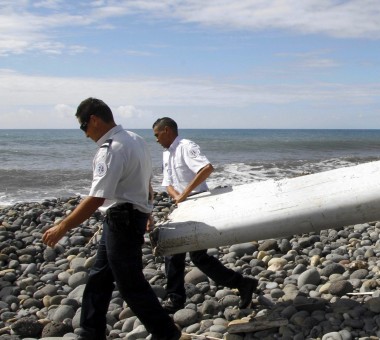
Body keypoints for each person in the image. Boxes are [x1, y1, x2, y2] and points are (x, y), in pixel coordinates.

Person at [42, 98, 180, 340]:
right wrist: (147, 210)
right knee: (99, 277)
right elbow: (144, 180)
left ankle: (167, 333)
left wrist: (61, 227)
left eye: (83, 126)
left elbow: (97, 198)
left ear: (94, 120)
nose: (85, 134)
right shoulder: (135, 140)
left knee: (130, 284)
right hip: (126, 217)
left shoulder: (111, 148)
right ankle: (90, 332)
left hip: (122, 220)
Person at [152, 117, 258, 313]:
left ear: (167, 130)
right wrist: (177, 197)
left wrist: (184, 195)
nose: (156, 139)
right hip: (182, 206)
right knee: (185, 254)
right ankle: (241, 284)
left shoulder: (186, 146)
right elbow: (167, 182)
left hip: (198, 202)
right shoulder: (166, 154)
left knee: (191, 254)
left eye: (157, 135)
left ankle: (176, 299)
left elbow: (206, 169)